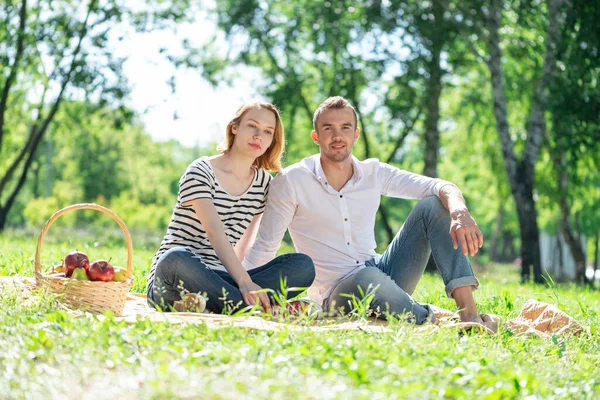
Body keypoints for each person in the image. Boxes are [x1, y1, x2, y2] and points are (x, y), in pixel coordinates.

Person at [242, 96, 485, 324]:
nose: (337, 136)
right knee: (367, 279)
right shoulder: (292, 180)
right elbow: (265, 246)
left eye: (345, 128)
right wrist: (241, 286)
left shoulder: (374, 172)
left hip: (381, 273)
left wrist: (460, 213)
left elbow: (438, 185)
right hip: (333, 294)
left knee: (433, 204)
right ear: (316, 137)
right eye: (328, 128)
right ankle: (427, 317)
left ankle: (469, 314)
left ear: (356, 134)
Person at [146, 102, 315, 313]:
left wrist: (248, 281)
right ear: (235, 127)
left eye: (267, 131)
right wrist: (245, 283)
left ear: (272, 140)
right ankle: (257, 308)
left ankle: (223, 304)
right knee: (175, 258)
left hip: (221, 279)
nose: (258, 136)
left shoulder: (263, 183)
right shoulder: (201, 171)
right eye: (252, 126)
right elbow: (215, 232)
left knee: (302, 265)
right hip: (173, 279)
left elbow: (245, 245)